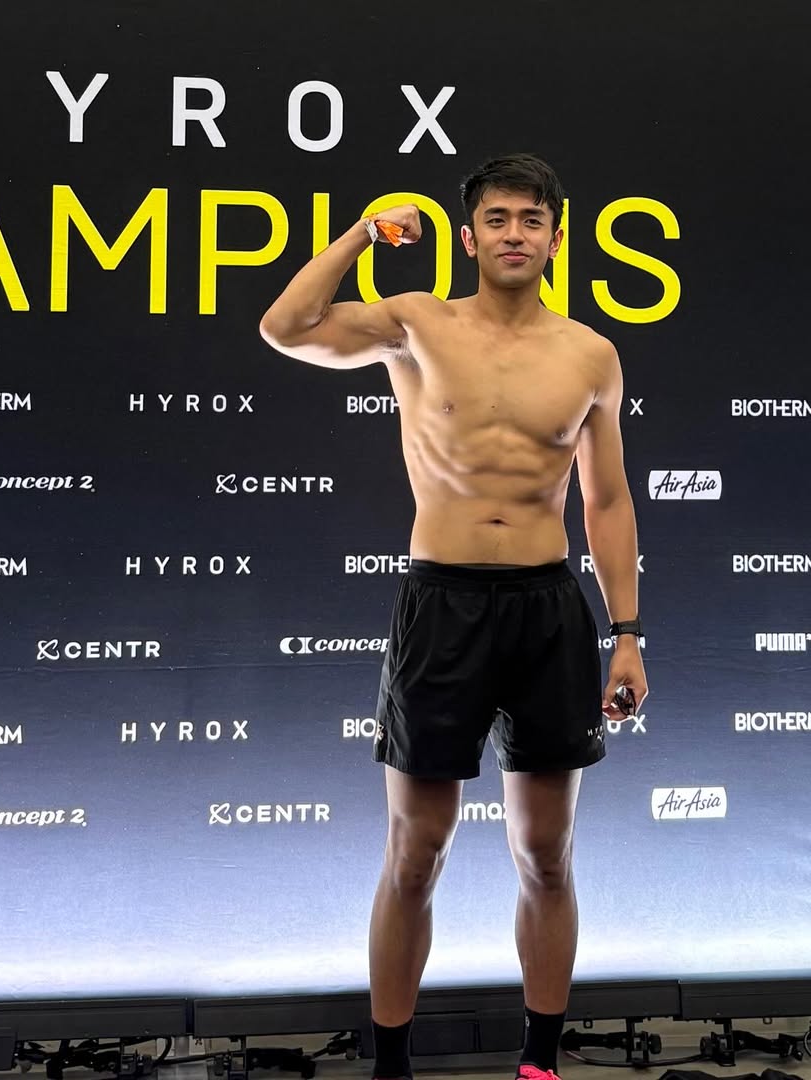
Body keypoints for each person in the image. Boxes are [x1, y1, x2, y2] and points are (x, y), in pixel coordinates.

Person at [259, 154, 648, 1080]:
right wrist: (363, 233)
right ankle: (391, 1067)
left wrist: (628, 635)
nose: (515, 234)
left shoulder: (590, 354)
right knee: (415, 853)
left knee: (546, 855)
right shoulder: (416, 324)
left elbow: (606, 501)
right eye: (499, 219)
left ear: (556, 240)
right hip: (442, 606)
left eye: (532, 220)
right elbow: (286, 327)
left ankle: (540, 1063)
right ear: (470, 238)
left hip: (547, 609)